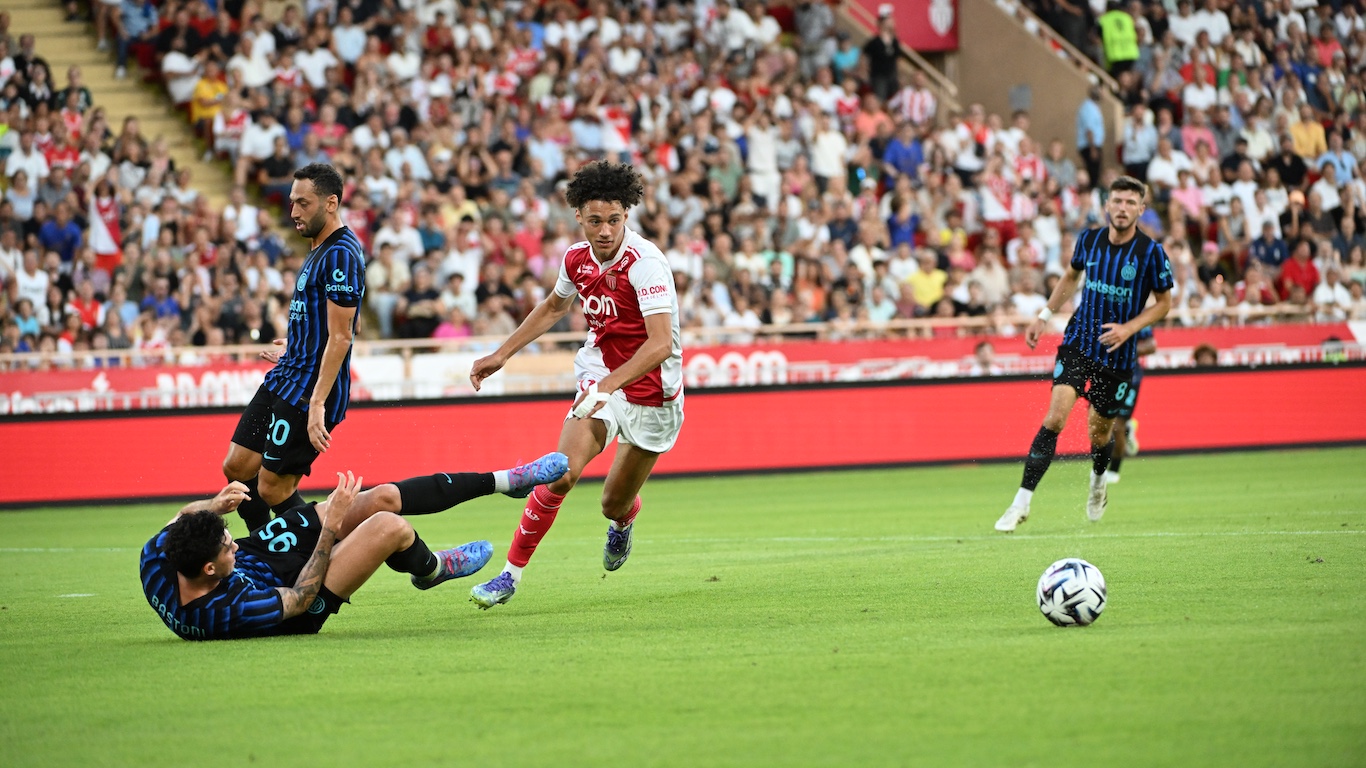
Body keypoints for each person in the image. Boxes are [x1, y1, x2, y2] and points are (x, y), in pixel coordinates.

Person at [466, 161, 683, 609]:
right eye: (595, 220)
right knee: (560, 473)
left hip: (653, 395)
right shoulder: (575, 259)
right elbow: (553, 307)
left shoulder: (646, 264)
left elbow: (661, 344)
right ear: (578, 216)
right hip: (600, 372)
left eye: (614, 220)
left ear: (627, 215)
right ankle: (509, 576)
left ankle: (623, 521)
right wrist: (502, 354)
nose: (605, 231)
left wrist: (610, 386)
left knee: (612, 504)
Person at [140, 453, 569, 641]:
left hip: (264, 560)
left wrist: (213, 506)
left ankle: (506, 480)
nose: (232, 543)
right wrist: (330, 530)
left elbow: (182, 518)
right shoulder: (225, 610)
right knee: (388, 527)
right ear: (209, 570)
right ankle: (432, 569)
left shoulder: (158, 557)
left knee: (381, 496)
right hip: (296, 601)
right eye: (226, 548)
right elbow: (299, 598)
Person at [995, 176, 1173, 532]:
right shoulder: (1089, 240)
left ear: (1141, 209)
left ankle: (1098, 481)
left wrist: (1128, 329)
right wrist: (1044, 315)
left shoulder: (1150, 252)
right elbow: (1070, 277)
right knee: (1055, 419)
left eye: (1130, 203)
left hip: (1117, 355)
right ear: (1107, 205)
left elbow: (1164, 304)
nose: (1122, 208)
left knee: (1099, 434)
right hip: (1079, 341)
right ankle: (1020, 503)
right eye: (1117, 201)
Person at [222, 163, 366, 531]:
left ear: (331, 203)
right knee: (237, 468)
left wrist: (318, 404)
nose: (293, 212)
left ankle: (321, 554)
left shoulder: (340, 253)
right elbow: (335, 321)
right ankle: (264, 549)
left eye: (303, 203)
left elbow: (344, 335)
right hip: (289, 373)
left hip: (310, 388)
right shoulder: (319, 247)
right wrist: (300, 341)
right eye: (292, 202)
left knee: (273, 488)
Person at [1104, 326, 1156, 484]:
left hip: (1129, 379)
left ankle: (1114, 471)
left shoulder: (1137, 318)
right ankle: (1127, 429)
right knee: (1099, 423)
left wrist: (1124, 351)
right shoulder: (1099, 316)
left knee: (1116, 426)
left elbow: (1151, 346)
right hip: (1104, 376)